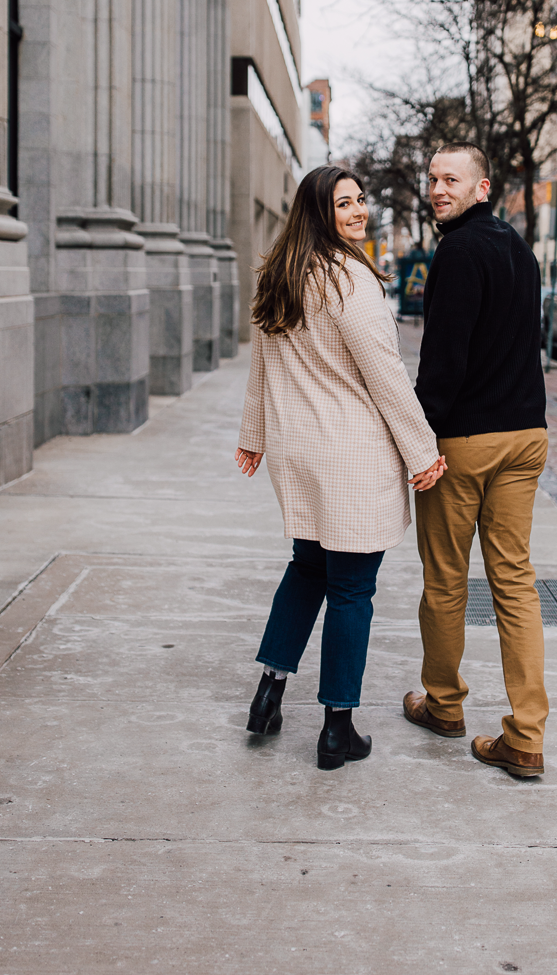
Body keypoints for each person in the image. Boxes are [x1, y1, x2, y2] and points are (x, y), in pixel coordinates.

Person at [235, 165, 444, 771]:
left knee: (306, 569)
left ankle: (268, 695)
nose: (357, 212)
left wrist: (255, 437)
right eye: (343, 204)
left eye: (360, 201)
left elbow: (261, 368)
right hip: (350, 454)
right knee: (351, 587)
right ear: (317, 213)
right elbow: (387, 377)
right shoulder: (351, 280)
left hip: (299, 452)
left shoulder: (281, 276)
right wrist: (422, 451)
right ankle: (337, 728)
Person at [403, 143, 549, 779]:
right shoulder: (518, 248)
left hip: (466, 442)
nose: (438, 189)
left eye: (451, 180)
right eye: (433, 179)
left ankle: (444, 704)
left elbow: (444, 362)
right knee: (514, 582)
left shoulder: (458, 251)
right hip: (526, 436)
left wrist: (416, 439)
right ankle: (525, 735)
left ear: (482, 187)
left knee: (445, 579)